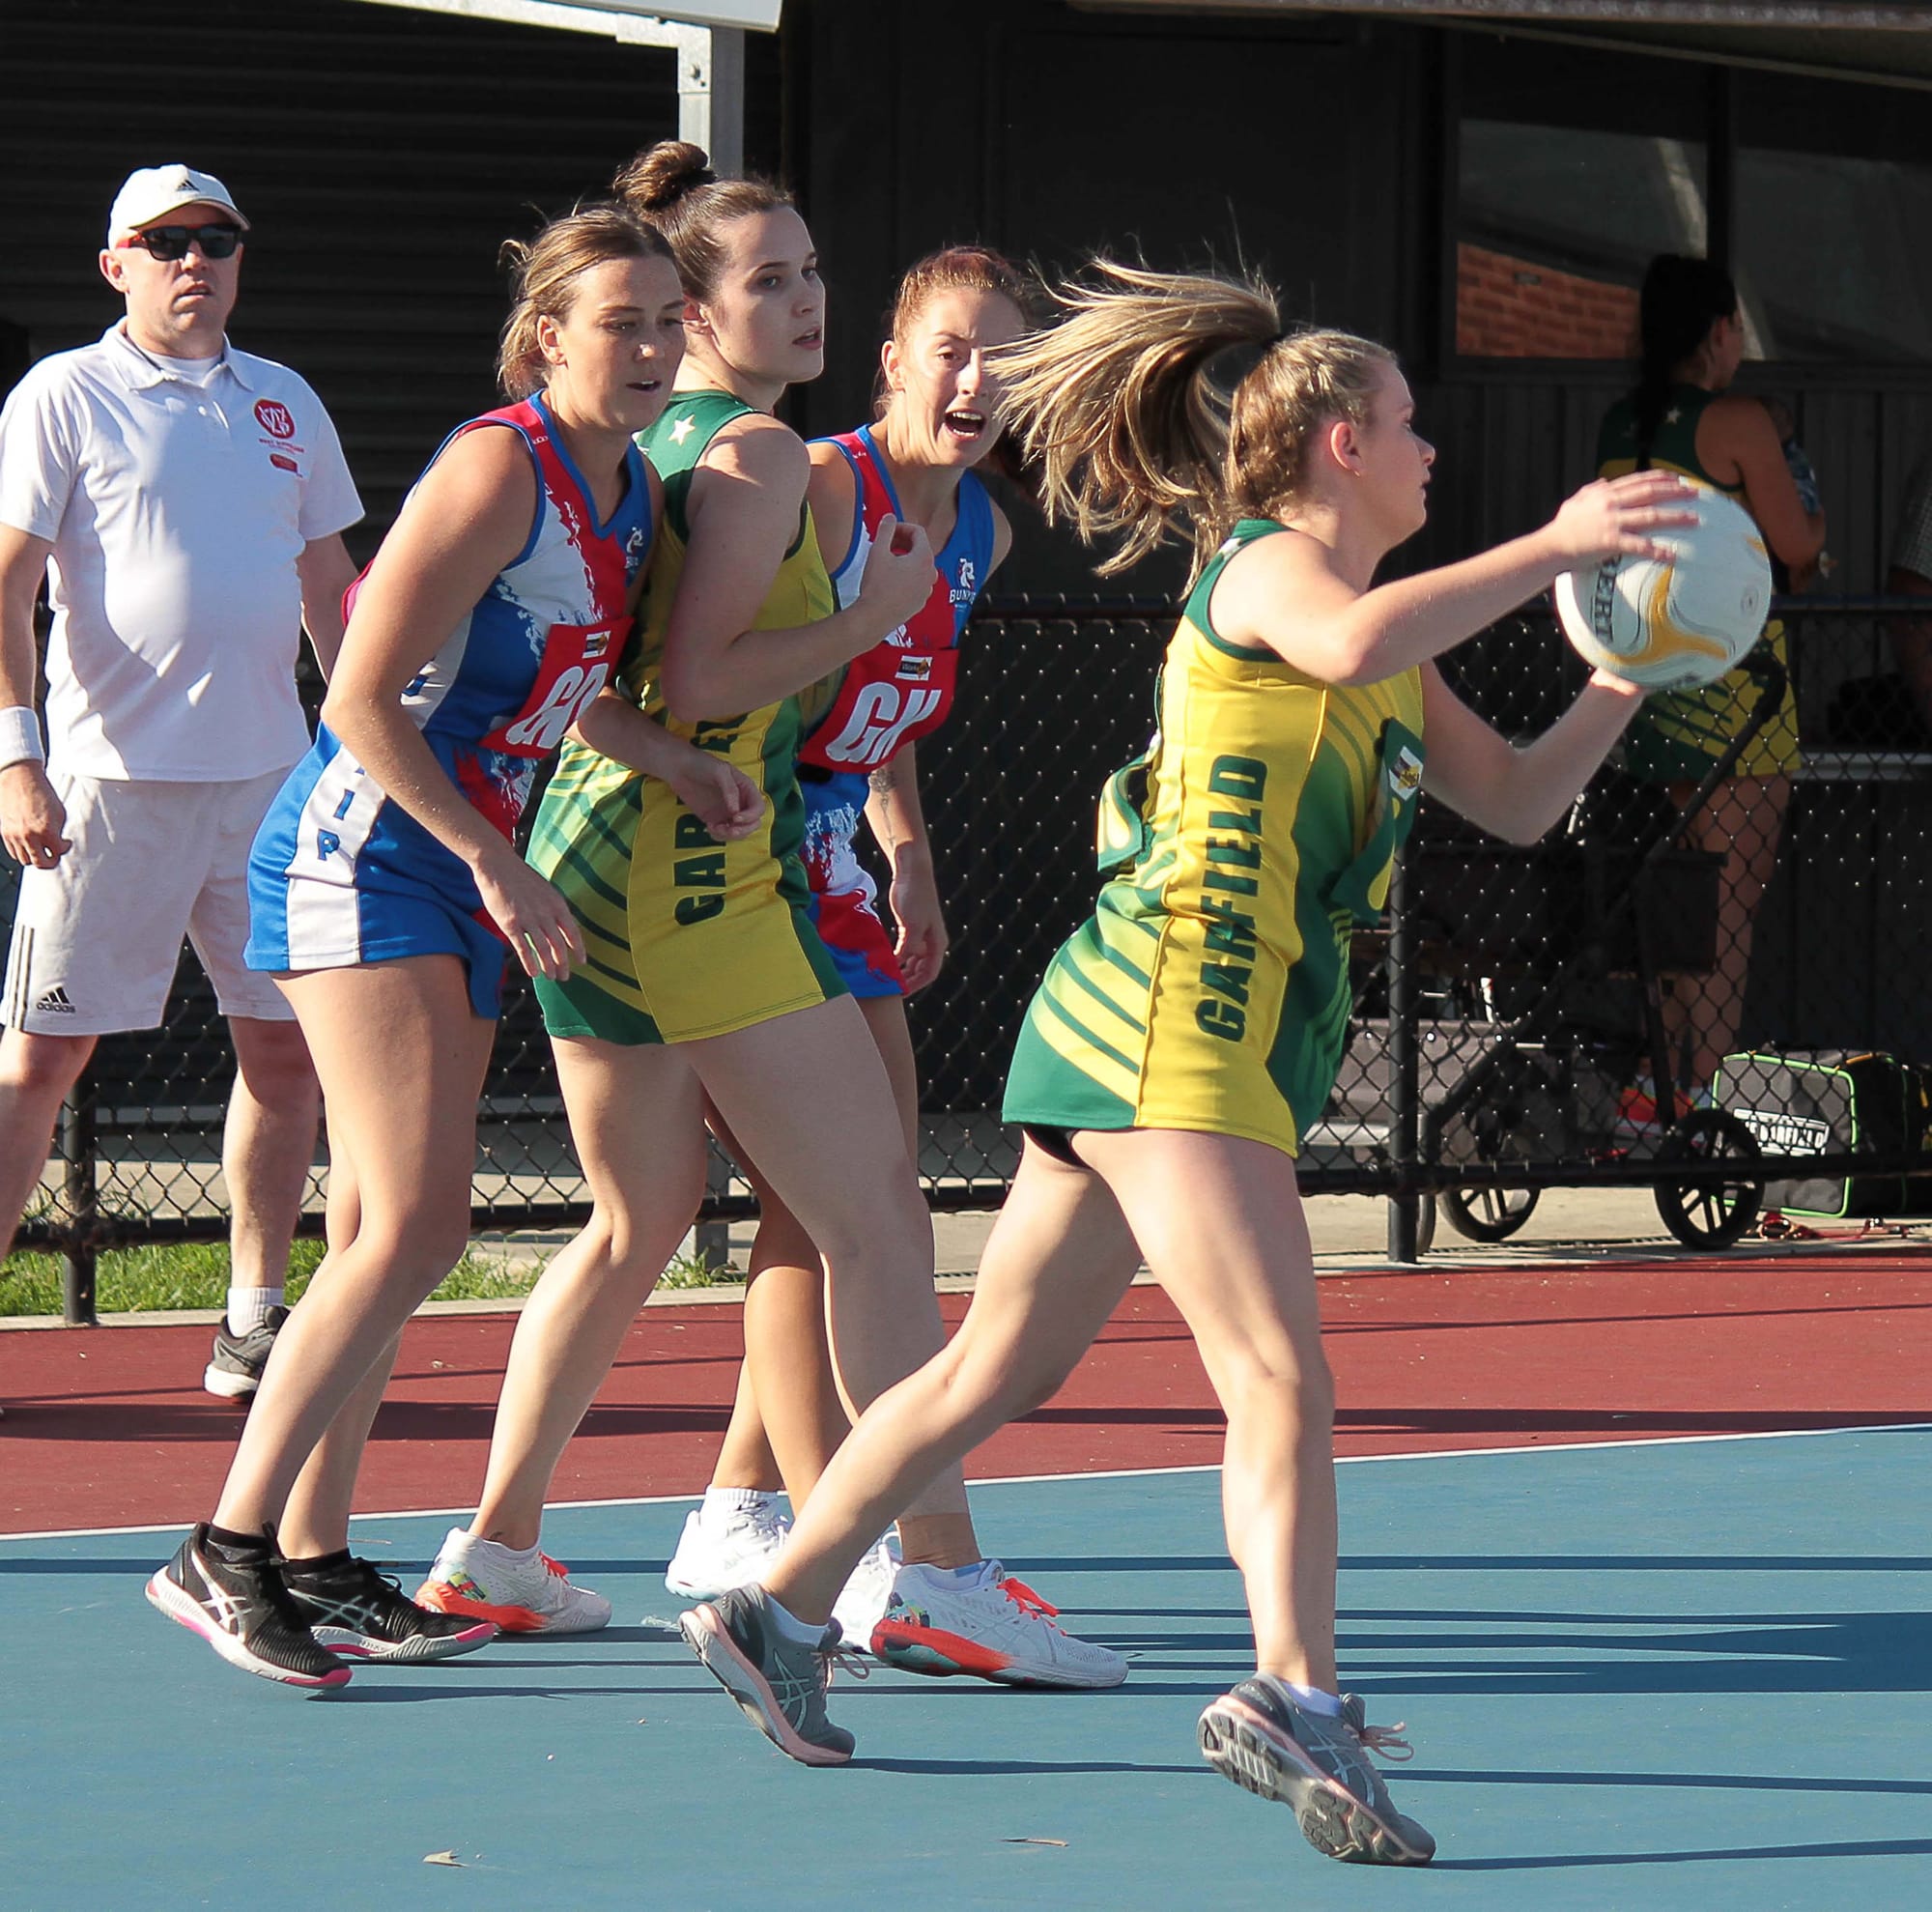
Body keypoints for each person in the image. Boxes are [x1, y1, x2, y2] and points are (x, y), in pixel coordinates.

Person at [678, 261, 1692, 1860]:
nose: (1434, 450)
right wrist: (1562, 544)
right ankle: (1295, 1688)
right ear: (1340, 443)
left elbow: (1512, 797)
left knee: (990, 1369)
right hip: (1178, 1015)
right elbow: (1350, 640)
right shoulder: (1273, 571)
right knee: (1280, 1370)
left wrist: (1635, 674)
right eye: (1411, 423)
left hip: (1153, 1021)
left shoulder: (1372, 637)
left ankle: (780, 1604)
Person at [414, 147, 1123, 1692]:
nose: (803, 298)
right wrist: (873, 610)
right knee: (874, 1213)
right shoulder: (748, 455)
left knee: (638, 1219)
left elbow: (620, 672)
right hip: (695, 871)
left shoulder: (670, 444)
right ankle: (929, 1567)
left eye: (811, 270)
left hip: (614, 850)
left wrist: (892, 825)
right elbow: (705, 681)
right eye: (769, 280)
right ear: (692, 308)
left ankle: (497, 1542)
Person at [146, 203, 762, 1687]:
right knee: (420, 1222)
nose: (656, 341)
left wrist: (667, 758)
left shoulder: (626, 496)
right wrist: (497, 860)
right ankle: (221, 1548)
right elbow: (359, 689)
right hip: (374, 856)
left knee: (381, 1229)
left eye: (672, 316)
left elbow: (555, 686)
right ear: (549, 335)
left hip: (456, 866)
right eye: (622, 319)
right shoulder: (501, 464)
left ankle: (313, 1550)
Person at [661, 245, 1032, 1632]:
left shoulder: (980, 530)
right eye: (953, 348)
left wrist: (911, 850)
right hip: (745, 851)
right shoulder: (820, 486)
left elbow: (886, 724)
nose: (979, 379)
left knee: (843, 1203)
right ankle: (848, 1538)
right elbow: (726, 675)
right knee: (859, 1203)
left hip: (835, 863)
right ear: (893, 360)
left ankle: (742, 1506)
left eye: (1006, 356)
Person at [0, 165, 358, 1395]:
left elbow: (331, 586)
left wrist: (363, 744)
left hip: (268, 787)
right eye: (164, 243)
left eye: (217, 240)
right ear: (117, 265)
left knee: (287, 1054)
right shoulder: (64, 393)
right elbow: (5, 584)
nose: (193, 261)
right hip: (103, 790)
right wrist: (18, 757)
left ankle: (252, 1318)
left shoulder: (283, 401)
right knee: (39, 1065)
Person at [1596, 255, 1826, 1098]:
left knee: (1676, 908)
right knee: (1729, 913)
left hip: (1647, 684)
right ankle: (1701, 1103)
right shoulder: (1738, 422)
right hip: (1739, 690)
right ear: (1720, 331)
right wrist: (1815, 507)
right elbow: (1797, 546)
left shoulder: (1623, 423)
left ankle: (1660, 1088)